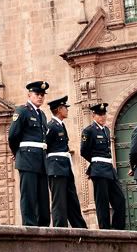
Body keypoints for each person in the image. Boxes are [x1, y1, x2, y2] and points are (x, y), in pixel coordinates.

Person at [8, 80, 51, 226]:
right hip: (27, 158)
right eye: (37, 94)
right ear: (29, 94)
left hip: (41, 159)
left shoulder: (42, 115)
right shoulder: (22, 111)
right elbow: (13, 135)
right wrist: (17, 153)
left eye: (42, 95)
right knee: (29, 194)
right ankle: (30, 224)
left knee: (43, 196)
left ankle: (43, 224)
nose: (40, 97)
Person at [81, 102, 125, 230]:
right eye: (100, 115)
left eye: (104, 114)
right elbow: (84, 151)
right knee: (102, 202)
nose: (103, 117)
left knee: (120, 200)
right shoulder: (88, 131)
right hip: (99, 170)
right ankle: (105, 229)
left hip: (110, 169)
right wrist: (96, 162)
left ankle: (118, 229)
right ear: (94, 115)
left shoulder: (106, 130)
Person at [45, 95, 86, 228]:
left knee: (71, 198)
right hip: (56, 167)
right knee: (59, 200)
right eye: (65, 108)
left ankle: (80, 227)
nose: (67, 110)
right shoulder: (51, 126)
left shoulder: (61, 125)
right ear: (58, 110)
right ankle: (60, 228)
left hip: (65, 166)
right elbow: (45, 146)